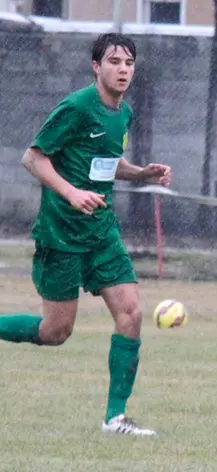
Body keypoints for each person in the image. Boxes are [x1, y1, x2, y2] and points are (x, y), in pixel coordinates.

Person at [1, 33, 171, 436]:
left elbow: (106, 161)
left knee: (131, 313)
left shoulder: (123, 114)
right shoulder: (77, 107)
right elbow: (33, 158)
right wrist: (72, 193)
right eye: (114, 61)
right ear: (96, 67)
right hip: (61, 233)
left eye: (129, 63)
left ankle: (115, 418)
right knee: (55, 332)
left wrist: (140, 173)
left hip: (101, 232)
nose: (123, 69)